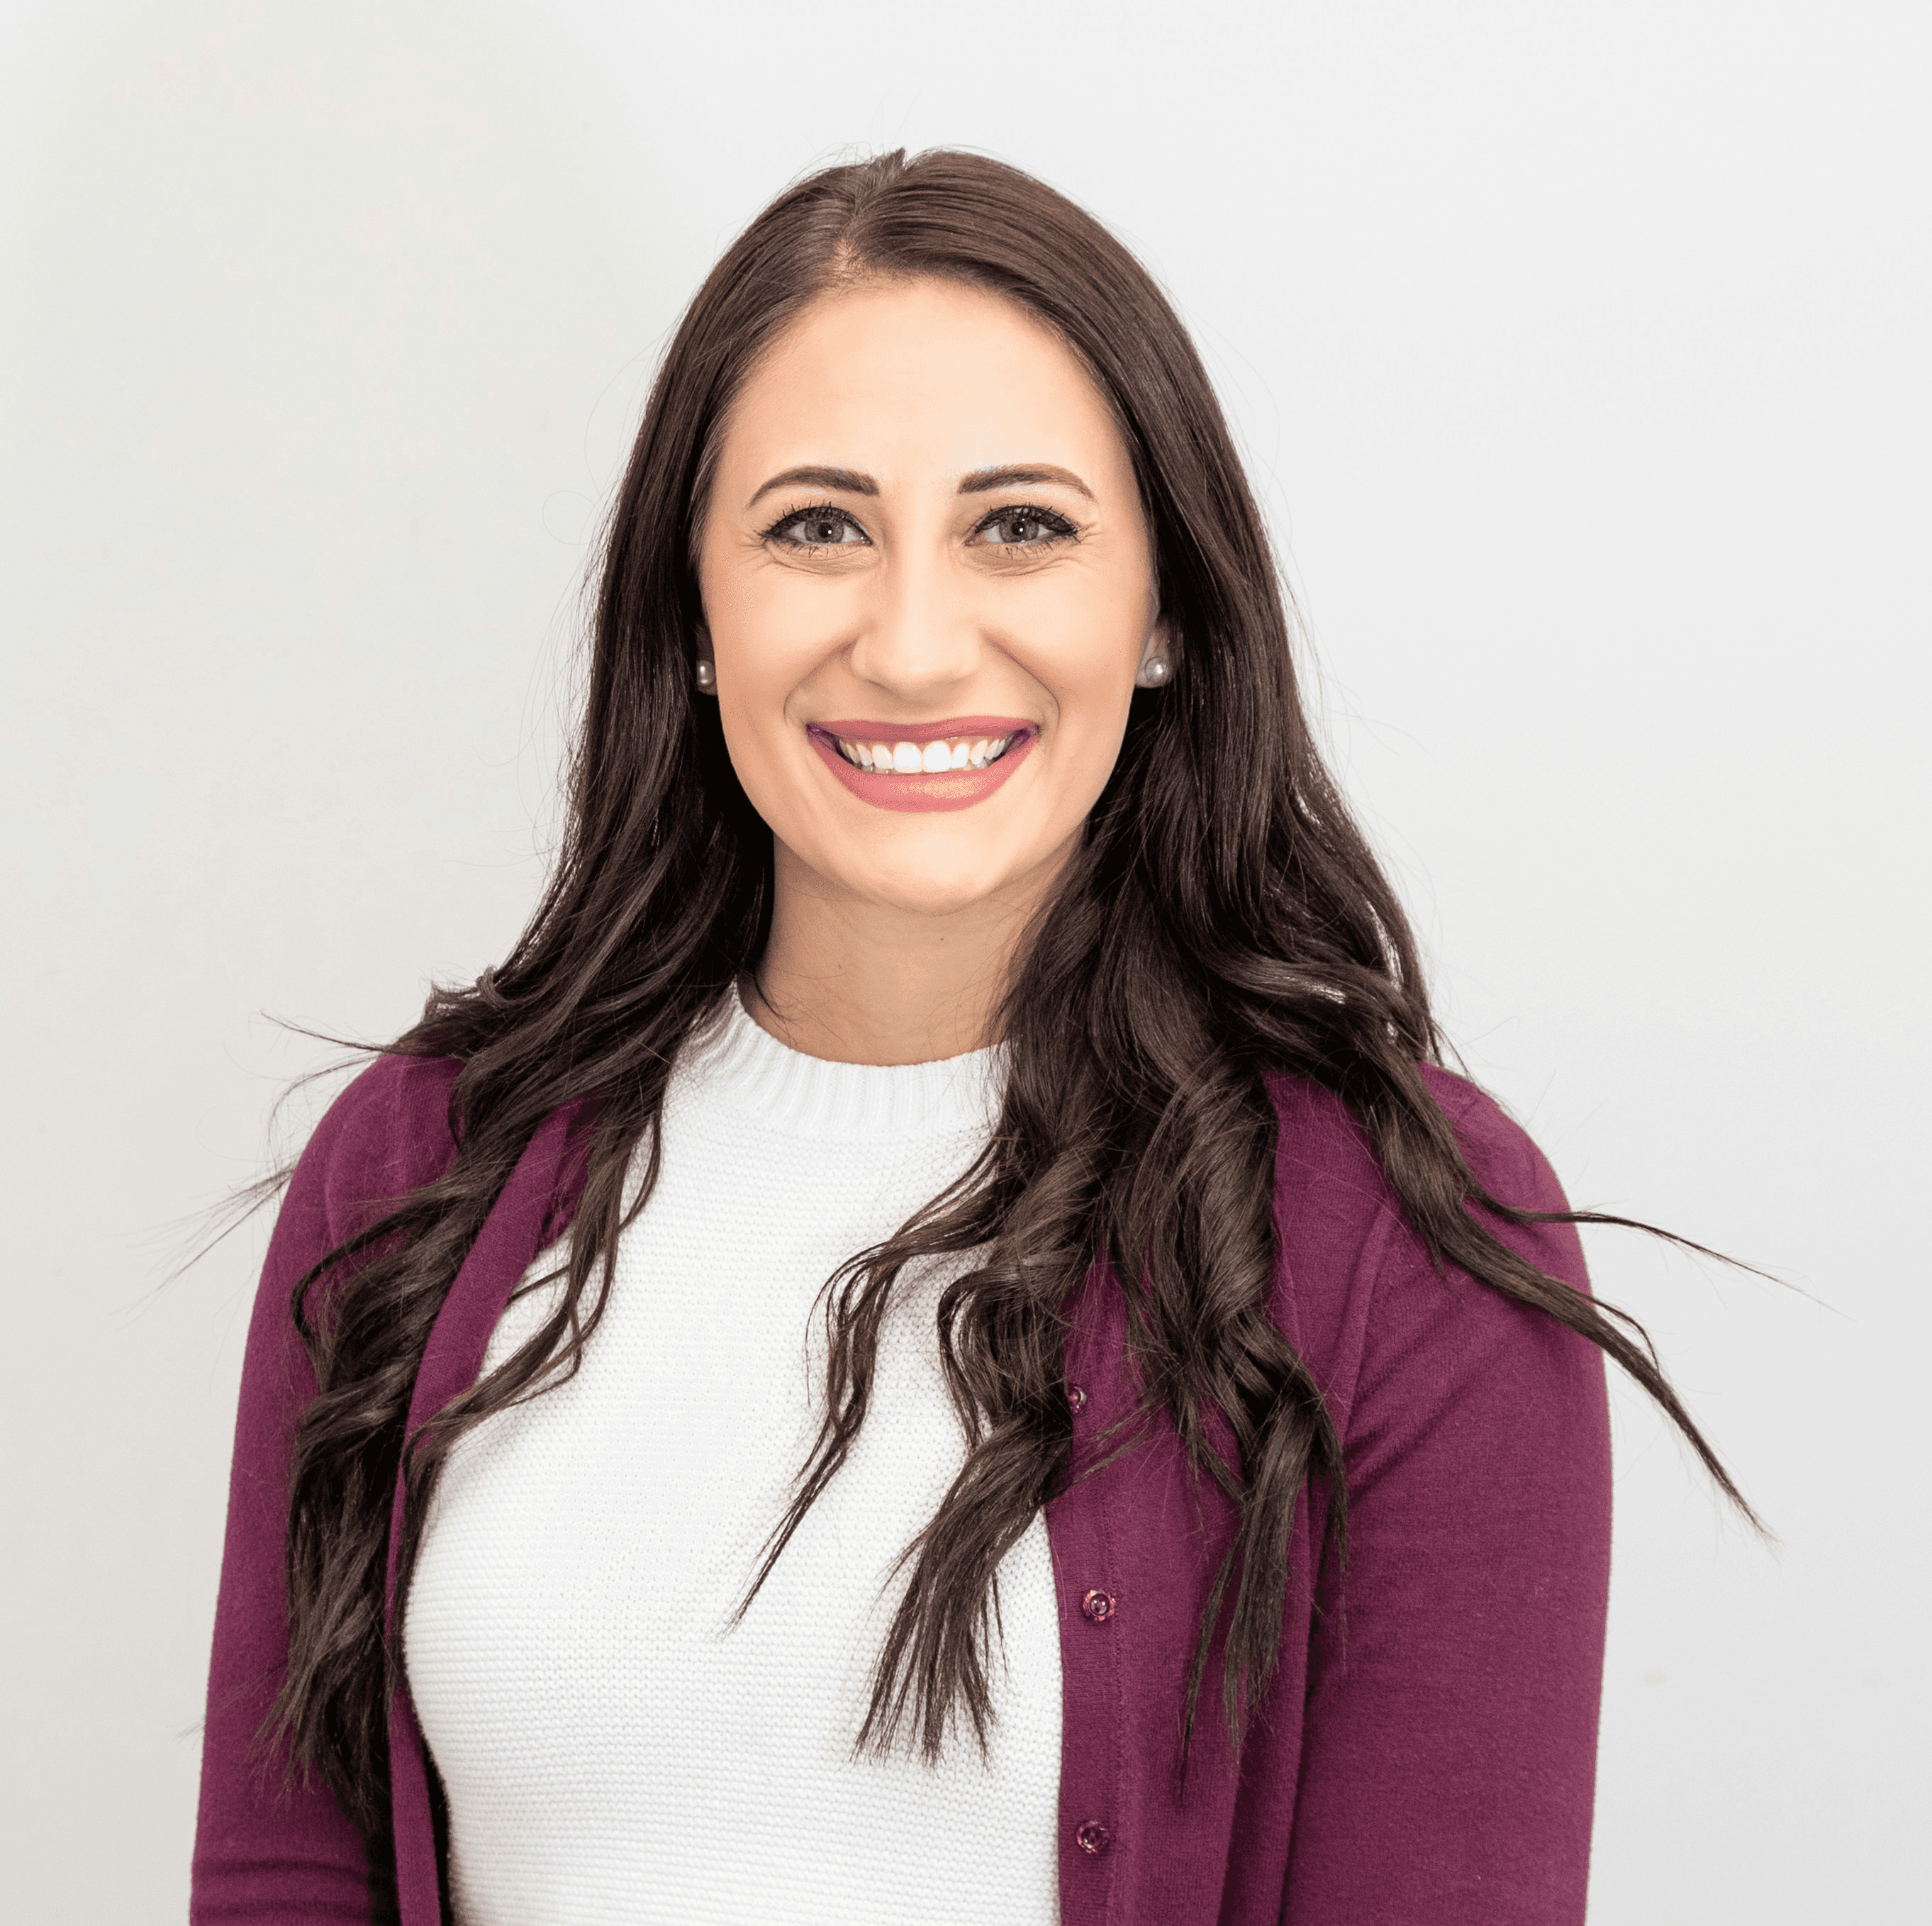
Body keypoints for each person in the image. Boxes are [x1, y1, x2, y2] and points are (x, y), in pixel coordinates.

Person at [190, 148, 1763, 1926]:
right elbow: (277, 1878)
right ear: (691, 613)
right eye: (814, 525)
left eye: (1023, 524)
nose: (917, 642)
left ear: (1162, 608)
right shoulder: (419, 1170)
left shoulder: (1407, 1241)